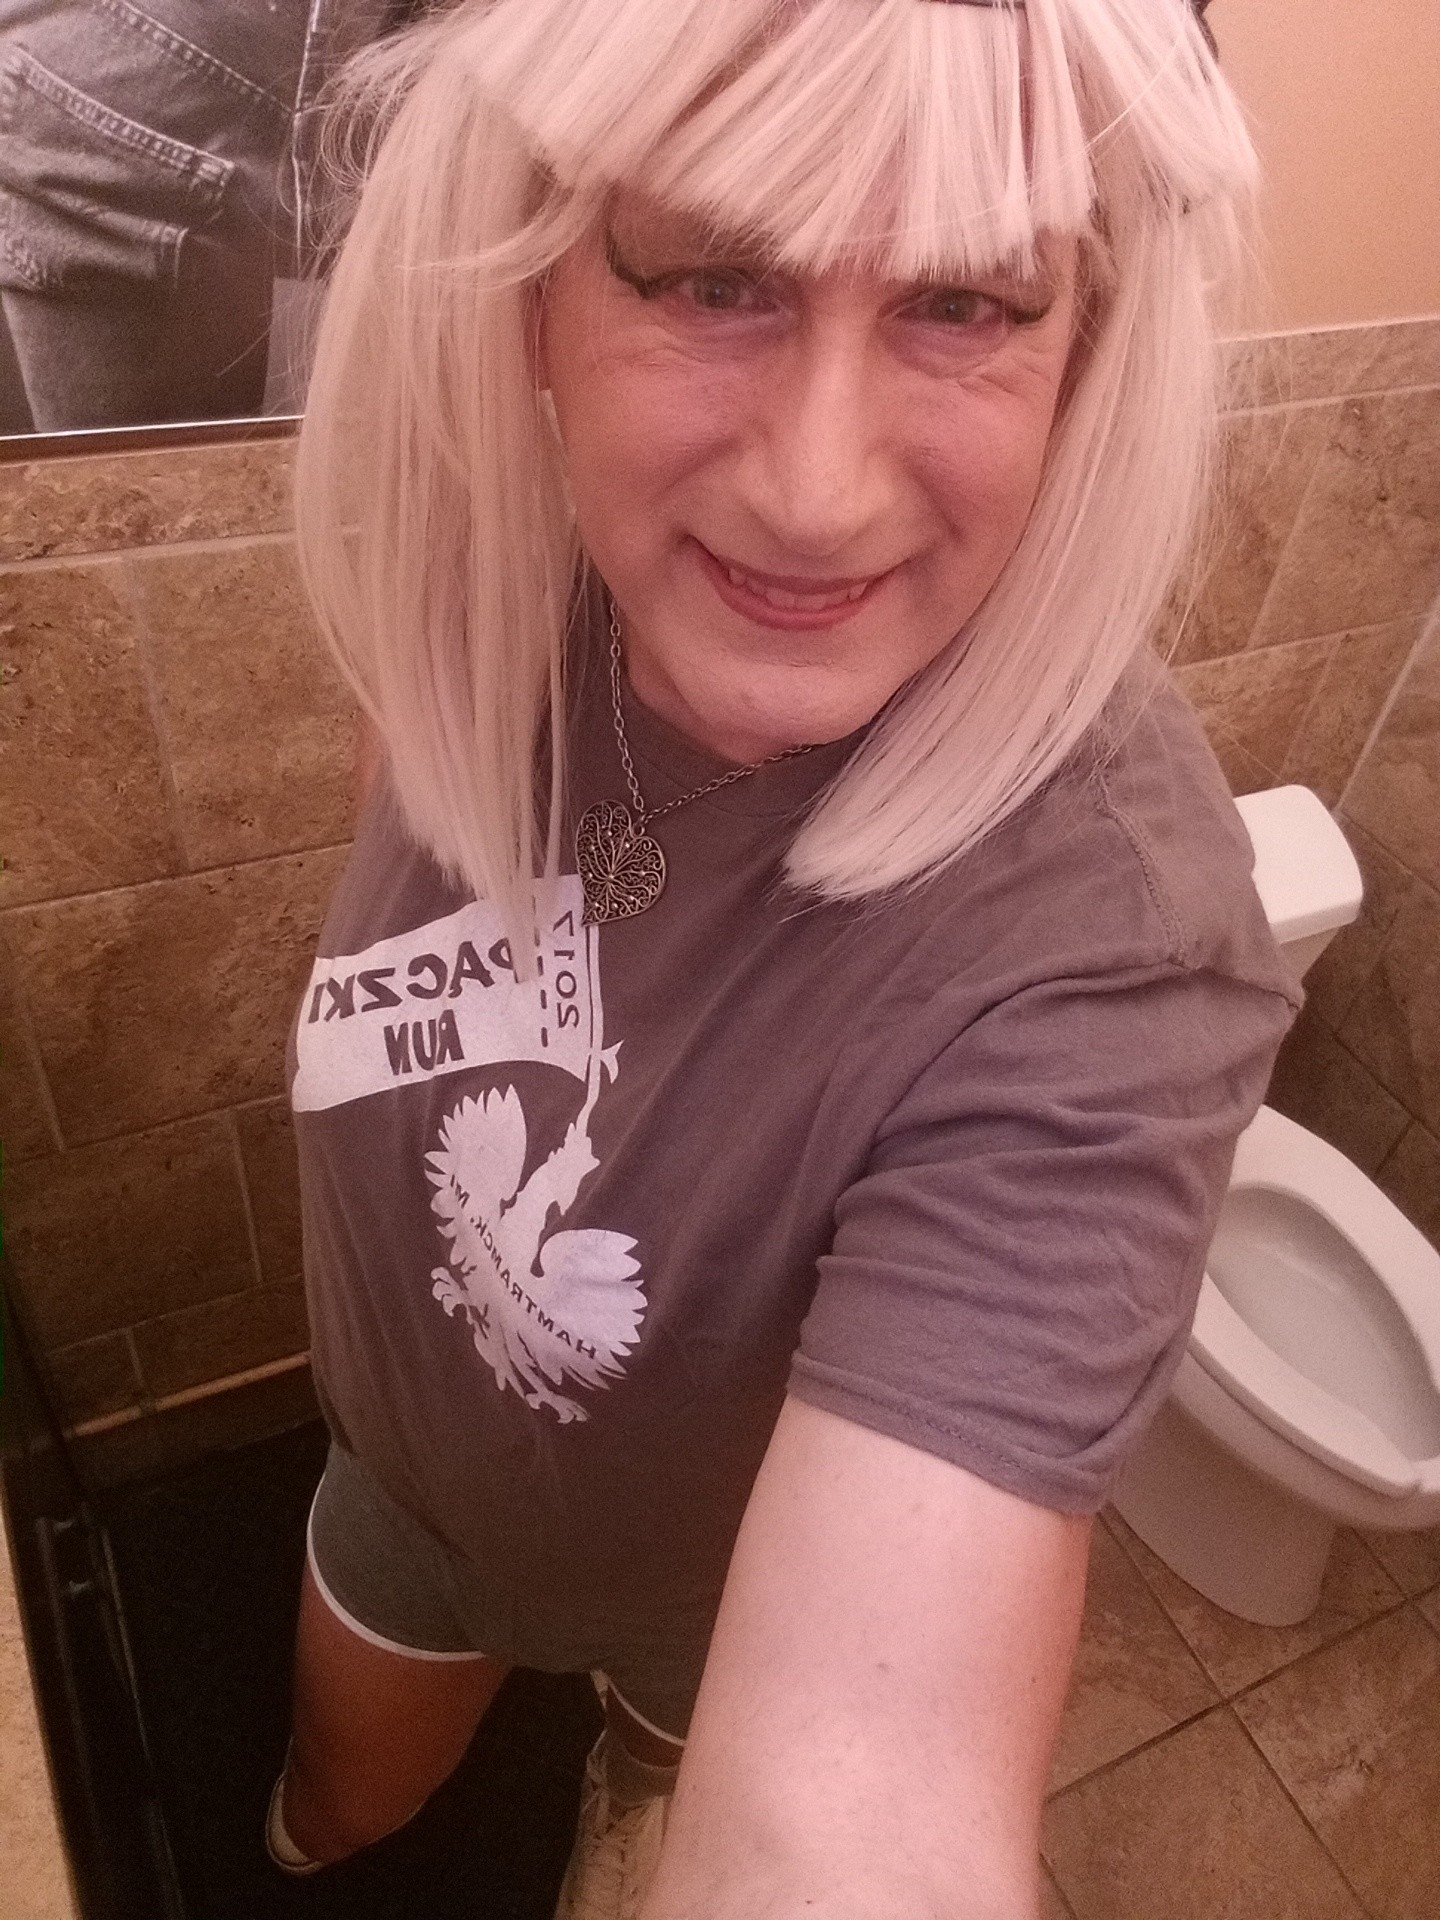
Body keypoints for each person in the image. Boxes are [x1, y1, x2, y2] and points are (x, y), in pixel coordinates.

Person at [271, 1, 1294, 1915]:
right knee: (335, 1813)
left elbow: (857, 1804)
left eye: (967, 304)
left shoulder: (1114, 955)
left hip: (708, 1604)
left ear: (1086, 353)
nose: (817, 493)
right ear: (532, 293)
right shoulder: (497, 571)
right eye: (713, 276)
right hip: (401, 1477)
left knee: (657, 1796)